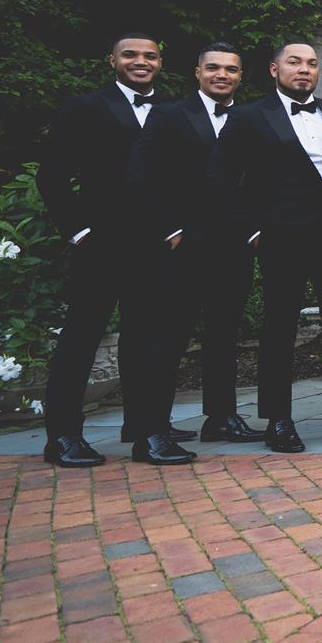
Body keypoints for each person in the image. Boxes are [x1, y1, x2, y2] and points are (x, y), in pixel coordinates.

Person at [206, 41, 322, 453]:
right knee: (279, 328)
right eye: (294, 62)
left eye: (311, 63)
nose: (304, 69)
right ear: (274, 69)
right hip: (281, 237)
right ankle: (278, 419)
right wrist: (251, 229)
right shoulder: (249, 116)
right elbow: (220, 177)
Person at [39, 32, 176, 467]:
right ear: (112, 61)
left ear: (160, 63)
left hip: (154, 245)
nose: (141, 61)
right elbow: (52, 174)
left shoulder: (171, 111)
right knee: (81, 338)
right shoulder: (84, 107)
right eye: (130, 55)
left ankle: (146, 433)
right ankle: (62, 436)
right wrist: (78, 232)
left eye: (150, 56)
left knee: (146, 340)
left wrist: (176, 230)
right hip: (100, 243)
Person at [128, 41, 261, 446]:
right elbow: (141, 175)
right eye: (214, 67)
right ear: (198, 72)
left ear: (240, 76)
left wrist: (255, 230)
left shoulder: (251, 119)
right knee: (169, 337)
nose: (222, 75)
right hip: (185, 245)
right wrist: (171, 229)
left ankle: (221, 418)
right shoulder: (169, 115)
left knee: (225, 335)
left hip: (235, 245)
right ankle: (152, 430)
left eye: (231, 69)